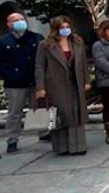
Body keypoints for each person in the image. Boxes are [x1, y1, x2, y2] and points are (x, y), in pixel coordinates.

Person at [35, 16, 91, 156]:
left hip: (75, 83)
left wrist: (87, 80)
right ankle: (61, 147)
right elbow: (40, 67)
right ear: (55, 29)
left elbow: (83, 63)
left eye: (67, 27)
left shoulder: (77, 42)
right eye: (62, 28)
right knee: (60, 114)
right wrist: (40, 87)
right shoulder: (45, 45)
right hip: (56, 85)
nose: (65, 30)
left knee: (76, 113)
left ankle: (78, 146)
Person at [0, 12, 44, 153]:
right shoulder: (3, 42)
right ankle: (12, 140)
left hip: (35, 81)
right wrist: (9, 75)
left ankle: (44, 132)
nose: (20, 22)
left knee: (39, 108)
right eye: (16, 20)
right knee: (15, 113)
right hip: (14, 84)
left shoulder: (36, 38)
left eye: (22, 19)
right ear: (9, 24)